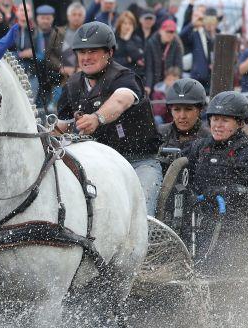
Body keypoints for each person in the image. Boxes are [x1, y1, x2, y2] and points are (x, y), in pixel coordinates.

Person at [55, 21, 163, 215]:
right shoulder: (72, 85)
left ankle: (150, 242)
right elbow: (61, 126)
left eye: (93, 52)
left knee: (143, 215)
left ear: (110, 53)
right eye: (82, 52)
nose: (86, 58)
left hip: (138, 162)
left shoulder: (125, 78)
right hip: (98, 166)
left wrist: (97, 118)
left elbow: (121, 100)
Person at [183, 91, 248, 273]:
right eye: (215, 119)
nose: (217, 125)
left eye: (224, 121)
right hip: (198, 226)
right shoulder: (200, 147)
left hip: (236, 231)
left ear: (240, 123)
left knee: (211, 270)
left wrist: (225, 192)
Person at [160, 77, 211, 152]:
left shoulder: (208, 139)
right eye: (177, 109)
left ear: (199, 110)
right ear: (170, 111)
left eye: (188, 109)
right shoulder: (160, 134)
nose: (182, 116)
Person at [179, 8, 217, 90]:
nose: (210, 24)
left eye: (212, 22)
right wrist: (192, 24)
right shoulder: (196, 34)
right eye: (207, 21)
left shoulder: (218, 36)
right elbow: (181, 37)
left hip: (213, 77)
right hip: (198, 77)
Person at [143, 19, 183, 94]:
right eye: (167, 31)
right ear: (161, 31)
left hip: (170, 81)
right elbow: (149, 67)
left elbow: (179, 66)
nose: (169, 34)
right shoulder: (151, 43)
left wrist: (174, 80)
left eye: (172, 32)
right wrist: (148, 85)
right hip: (154, 80)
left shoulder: (176, 44)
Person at [113, 11, 144, 78]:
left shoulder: (137, 40)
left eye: (130, 24)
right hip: (116, 75)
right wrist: (127, 59)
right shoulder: (114, 39)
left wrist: (127, 40)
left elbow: (138, 57)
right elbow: (112, 61)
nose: (127, 26)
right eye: (125, 23)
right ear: (120, 24)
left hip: (133, 75)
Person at [61, 2, 86, 80]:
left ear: (84, 17)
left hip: (82, 78)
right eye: (74, 14)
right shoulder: (59, 33)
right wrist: (60, 67)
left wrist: (83, 69)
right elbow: (50, 55)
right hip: (61, 78)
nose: (77, 17)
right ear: (68, 16)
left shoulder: (89, 34)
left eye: (79, 15)